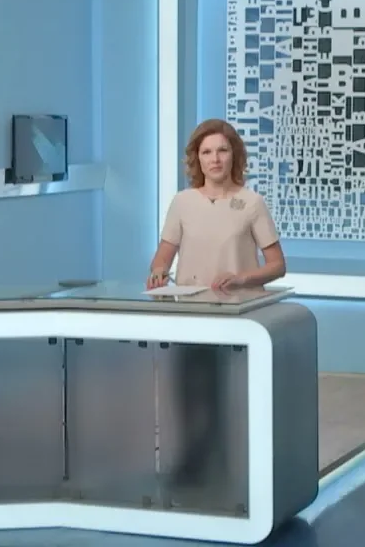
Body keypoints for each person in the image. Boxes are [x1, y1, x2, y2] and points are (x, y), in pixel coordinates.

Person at [145, 118, 286, 492]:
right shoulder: (183, 202)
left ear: (234, 155)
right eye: (207, 152)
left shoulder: (251, 203)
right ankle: (191, 465)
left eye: (222, 150)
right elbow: (163, 256)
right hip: (191, 316)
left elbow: (277, 265)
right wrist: (158, 272)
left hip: (236, 316)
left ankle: (231, 469)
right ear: (197, 158)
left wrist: (242, 278)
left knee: (226, 396)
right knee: (189, 394)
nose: (215, 159)